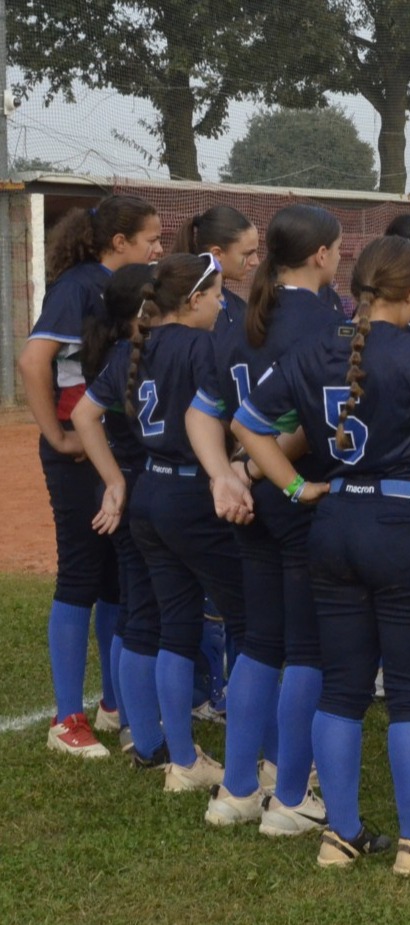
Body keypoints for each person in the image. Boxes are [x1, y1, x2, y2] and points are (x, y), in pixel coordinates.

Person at [233, 234, 410, 875]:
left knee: (341, 689)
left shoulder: (315, 346)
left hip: (334, 517)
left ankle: (340, 834)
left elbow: (245, 424)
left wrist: (292, 485)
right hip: (403, 523)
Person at [84, 253, 248, 793]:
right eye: (217, 293)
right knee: (249, 625)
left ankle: (180, 760)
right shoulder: (204, 345)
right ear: (193, 298)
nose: (223, 302)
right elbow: (234, 416)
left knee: (172, 626)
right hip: (192, 494)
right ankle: (262, 760)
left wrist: (114, 481)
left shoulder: (140, 345)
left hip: (148, 491)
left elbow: (85, 414)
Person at [205, 204, 344, 831]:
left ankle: (238, 790)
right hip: (297, 492)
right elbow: (311, 426)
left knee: (260, 642)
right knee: (309, 648)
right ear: (320, 255)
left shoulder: (239, 319)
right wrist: (257, 471)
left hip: (249, 500)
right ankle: (290, 796)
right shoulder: (326, 322)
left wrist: (226, 474)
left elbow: (204, 412)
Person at [20, 194, 160, 758]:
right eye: (150, 239)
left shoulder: (118, 288)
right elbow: (33, 361)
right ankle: (66, 718)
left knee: (114, 577)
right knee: (81, 571)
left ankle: (112, 702)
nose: (157, 248)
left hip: (108, 447)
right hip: (76, 454)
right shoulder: (79, 285)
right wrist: (57, 436)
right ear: (118, 243)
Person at [69, 264, 158, 764]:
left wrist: (114, 480)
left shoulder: (122, 351)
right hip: (150, 490)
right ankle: (133, 722)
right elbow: (84, 416)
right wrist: (117, 479)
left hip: (132, 491)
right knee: (145, 611)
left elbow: (85, 415)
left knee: (137, 607)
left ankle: (132, 717)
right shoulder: (137, 353)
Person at [173, 205, 259, 335]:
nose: (255, 262)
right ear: (217, 253)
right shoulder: (177, 302)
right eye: (247, 254)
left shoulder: (239, 308)